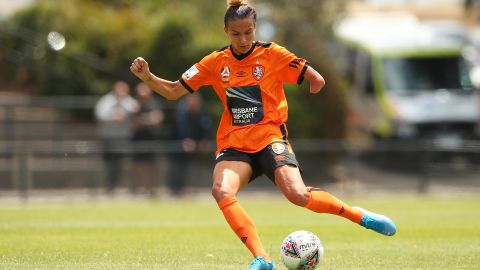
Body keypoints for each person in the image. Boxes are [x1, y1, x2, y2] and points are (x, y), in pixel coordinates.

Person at [130, 1, 397, 269]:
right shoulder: (214, 62)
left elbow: (315, 77)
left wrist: (314, 82)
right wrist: (148, 77)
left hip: (271, 140)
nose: (243, 39)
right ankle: (262, 259)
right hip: (235, 145)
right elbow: (175, 90)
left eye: (248, 32)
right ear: (226, 31)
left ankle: (358, 216)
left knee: (297, 195)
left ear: (255, 28)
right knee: (221, 190)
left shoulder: (273, 54)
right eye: (236, 33)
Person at [94, 80, 138, 194]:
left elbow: (135, 109)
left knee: (119, 164)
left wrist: (123, 112)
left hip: (122, 138)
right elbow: (100, 115)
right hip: (108, 137)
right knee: (108, 163)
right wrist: (113, 116)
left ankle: (115, 187)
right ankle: (107, 187)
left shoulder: (129, 101)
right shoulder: (106, 101)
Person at [168, 92, 211, 196]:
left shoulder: (202, 113)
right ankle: (176, 190)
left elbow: (205, 128)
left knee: (192, 167)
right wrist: (185, 141)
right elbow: (179, 129)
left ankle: (190, 188)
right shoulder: (181, 113)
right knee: (178, 168)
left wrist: (204, 140)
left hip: (194, 147)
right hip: (178, 147)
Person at [131, 82, 164, 196]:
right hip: (137, 138)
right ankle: (138, 189)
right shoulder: (134, 105)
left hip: (151, 138)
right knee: (137, 166)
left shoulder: (154, 104)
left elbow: (157, 119)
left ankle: (150, 190)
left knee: (151, 166)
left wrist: (142, 120)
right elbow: (134, 123)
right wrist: (149, 120)